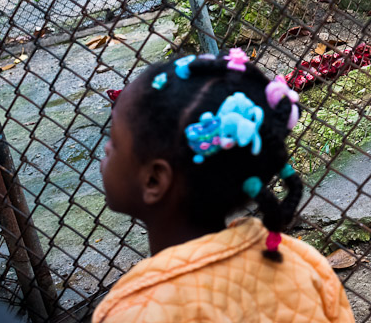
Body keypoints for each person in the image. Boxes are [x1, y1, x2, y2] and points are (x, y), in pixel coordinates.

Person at [93, 49, 354, 323]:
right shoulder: (303, 263)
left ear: (154, 180)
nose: (107, 150)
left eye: (115, 142)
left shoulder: (130, 310)